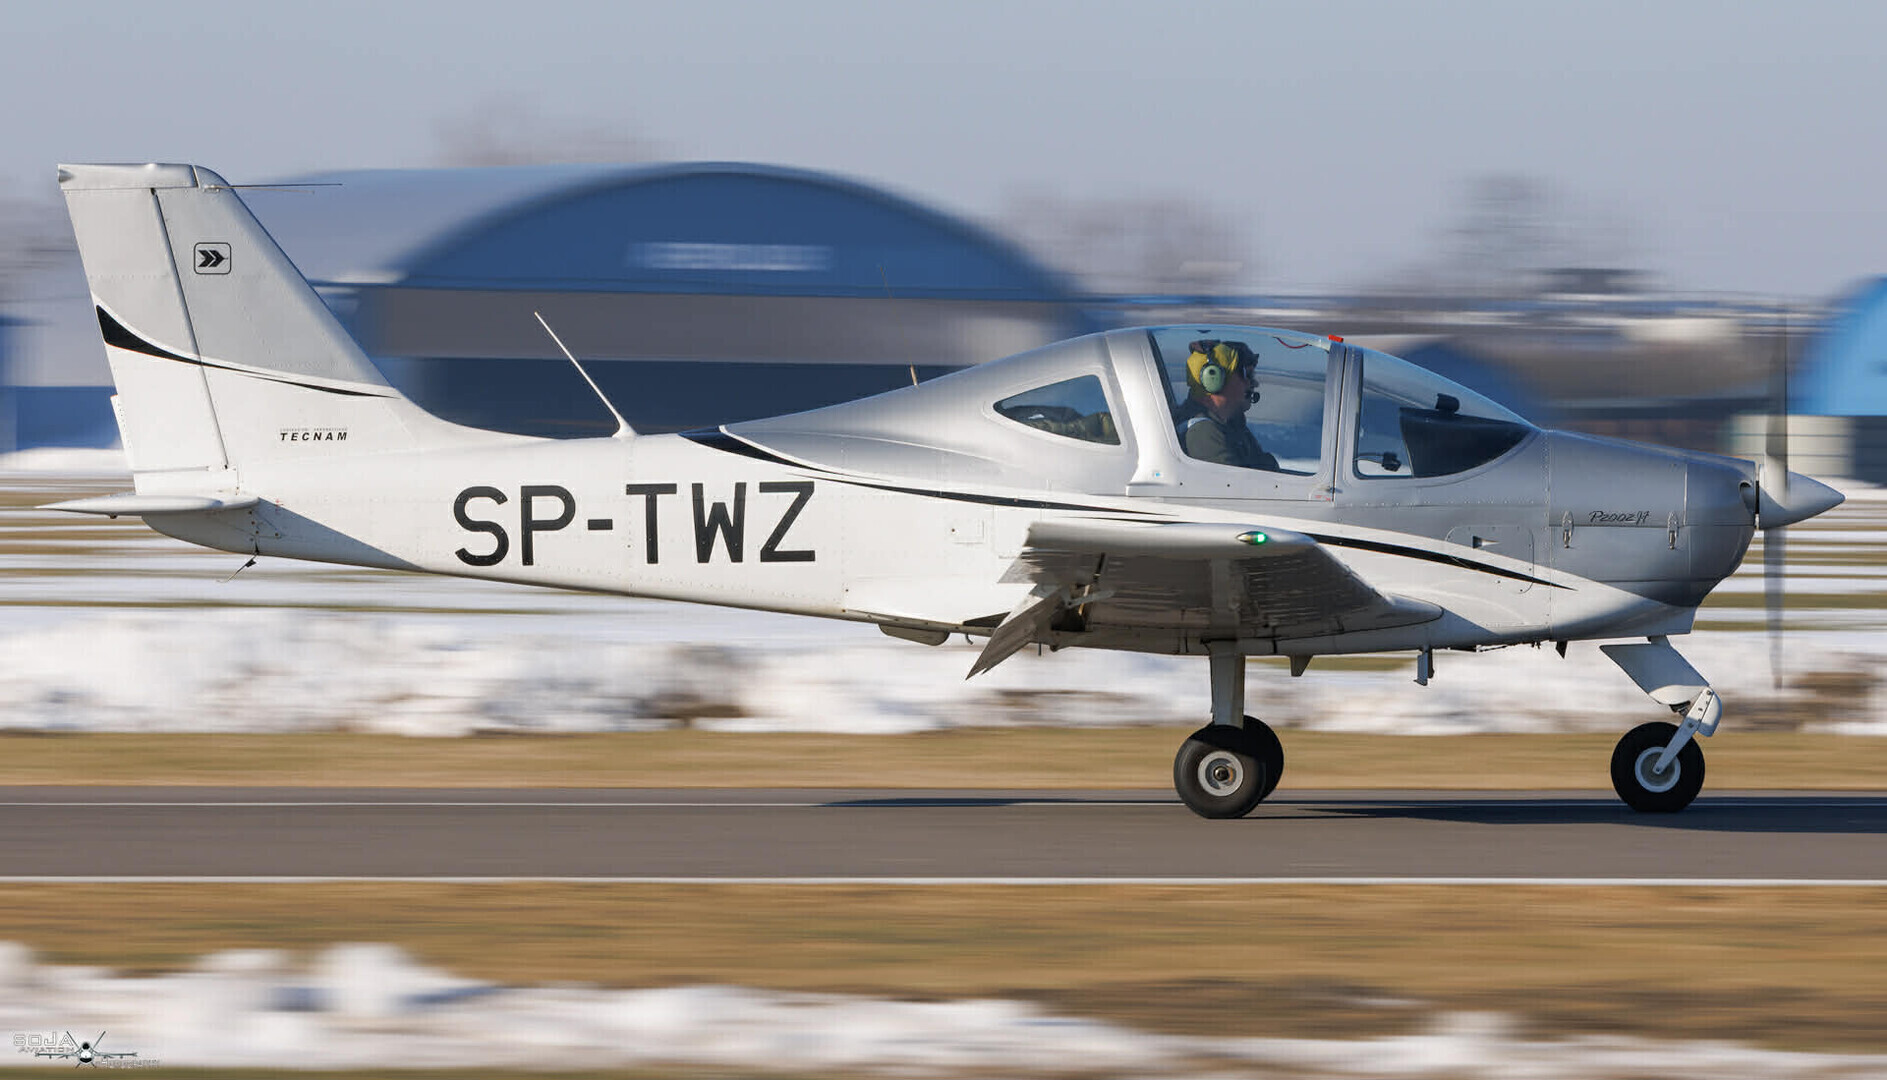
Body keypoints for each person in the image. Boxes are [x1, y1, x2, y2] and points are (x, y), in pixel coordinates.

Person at [1177, 340, 1279, 470]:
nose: (1253, 383)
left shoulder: (1232, 426)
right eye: (1247, 375)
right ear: (1214, 379)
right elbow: (1240, 487)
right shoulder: (1203, 433)